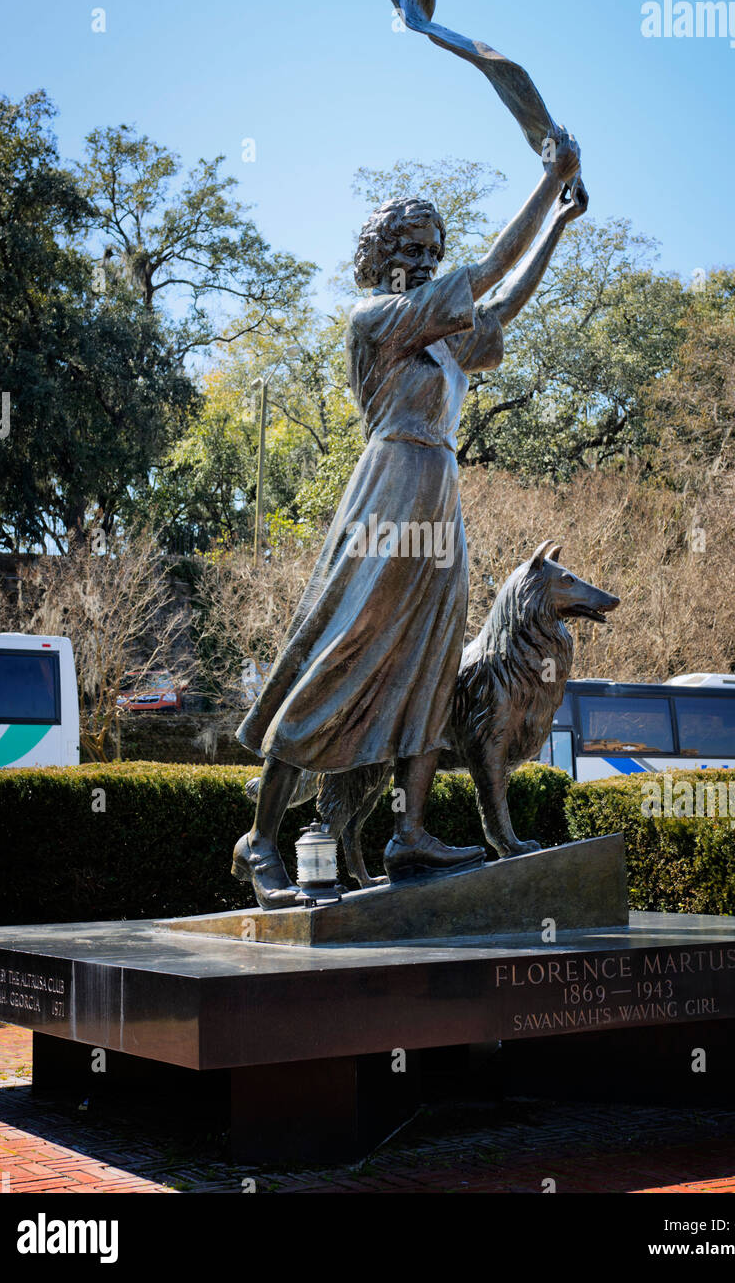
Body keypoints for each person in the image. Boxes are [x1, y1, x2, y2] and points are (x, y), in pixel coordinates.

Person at [233, 130, 587, 908]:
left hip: (441, 497)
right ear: (384, 253)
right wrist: (548, 180)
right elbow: (482, 274)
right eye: (414, 245)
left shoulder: (442, 341)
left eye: (434, 246)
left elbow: (497, 307)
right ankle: (260, 842)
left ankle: (410, 833)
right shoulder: (379, 319)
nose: (427, 257)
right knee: (342, 654)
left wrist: (558, 223)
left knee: (430, 667)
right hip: (390, 491)